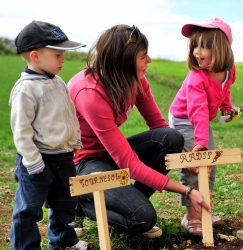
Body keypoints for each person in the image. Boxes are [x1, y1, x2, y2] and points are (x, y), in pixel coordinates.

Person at [68, 24, 211, 239]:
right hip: (85, 162)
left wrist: (186, 159)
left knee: (171, 138)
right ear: (123, 60)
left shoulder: (135, 81)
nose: (149, 60)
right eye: (144, 56)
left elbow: (159, 126)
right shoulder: (90, 93)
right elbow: (130, 165)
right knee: (143, 218)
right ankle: (81, 202)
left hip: (109, 154)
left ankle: (128, 202)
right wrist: (187, 191)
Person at [9, 20, 88, 250]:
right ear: (35, 56)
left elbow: (69, 114)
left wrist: (75, 141)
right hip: (38, 161)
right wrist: (32, 161)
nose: (62, 60)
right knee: (28, 209)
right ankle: (25, 246)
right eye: (58, 55)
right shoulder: (26, 89)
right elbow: (21, 130)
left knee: (65, 203)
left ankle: (63, 239)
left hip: (63, 157)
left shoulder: (58, 82)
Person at [169, 17, 236, 236]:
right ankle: (192, 217)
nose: (197, 52)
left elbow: (224, 91)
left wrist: (227, 109)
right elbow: (196, 110)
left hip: (201, 121)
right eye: (194, 45)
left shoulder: (229, 71)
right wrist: (200, 142)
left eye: (204, 46)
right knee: (195, 166)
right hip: (183, 118)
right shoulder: (196, 77)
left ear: (222, 49)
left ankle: (203, 209)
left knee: (211, 164)